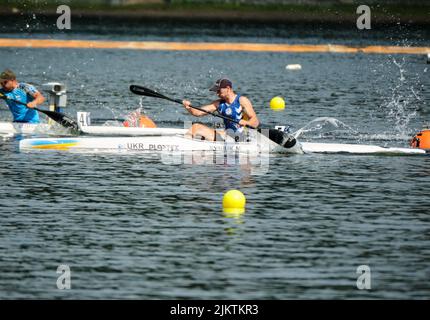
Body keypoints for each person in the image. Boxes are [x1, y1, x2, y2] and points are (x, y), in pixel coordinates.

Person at [182, 78, 259, 141]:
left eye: (219, 91)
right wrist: (189, 107)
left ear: (228, 88)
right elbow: (198, 112)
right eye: (216, 91)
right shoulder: (219, 104)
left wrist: (245, 122)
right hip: (227, 136)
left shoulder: (242, 100)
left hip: (241, 137)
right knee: (196, 127)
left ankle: (185, 143)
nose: (217, 93)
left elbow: (255, 122)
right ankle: (185, 142)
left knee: (197, 128)